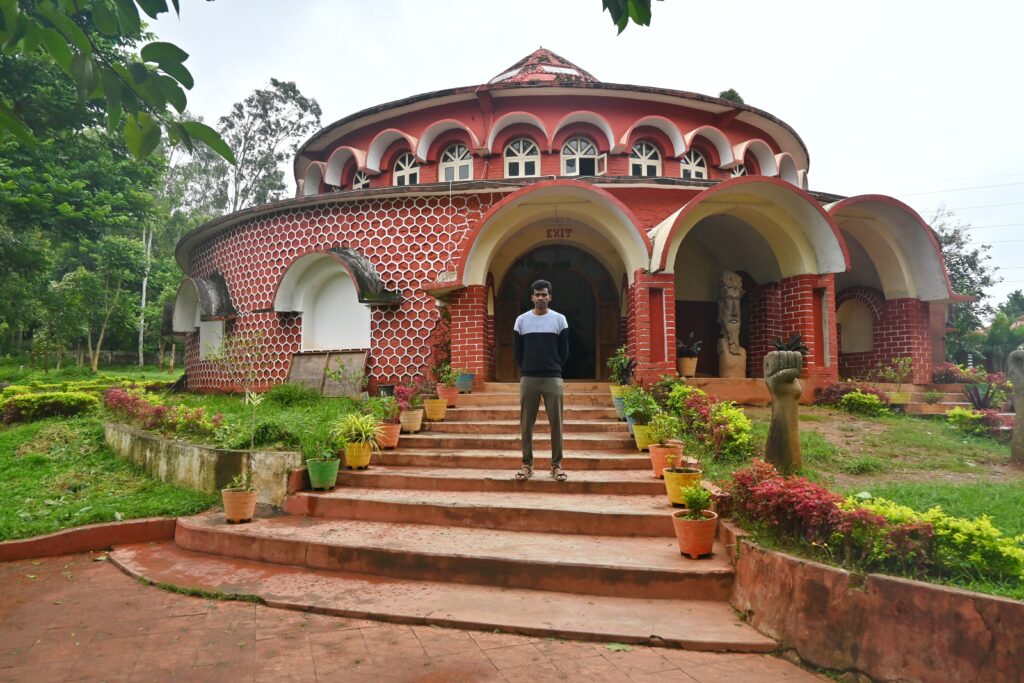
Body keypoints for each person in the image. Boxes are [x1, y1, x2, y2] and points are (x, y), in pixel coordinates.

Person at [513, 279, 569, 481]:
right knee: (526, 423)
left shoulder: (559, 320)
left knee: (557, 422)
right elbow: (517, 352)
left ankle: (556, 465)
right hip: (529, 377)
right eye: (537, 295)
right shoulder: (521, 320)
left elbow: (564, 351)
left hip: (553, 377)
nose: (540, 298)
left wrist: (553, 366)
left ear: (550, 297)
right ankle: (527, 464)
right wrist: (528, 367)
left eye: (544, 294)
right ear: (532, 297)